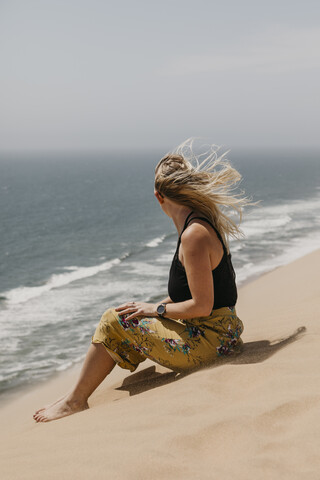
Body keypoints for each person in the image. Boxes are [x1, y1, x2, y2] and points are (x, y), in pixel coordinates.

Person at [33, 140, 247, 423]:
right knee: (127, 313)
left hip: (213, 343)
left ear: (159, 197)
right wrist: (153, 305)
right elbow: (201, 294)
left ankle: (74, 401)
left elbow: (203, 305)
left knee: (113, 319)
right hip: (223, 335)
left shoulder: (193, 235)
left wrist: (155, 310)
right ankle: (75, 394)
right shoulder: (199, 221)